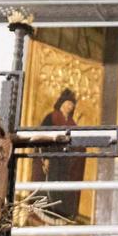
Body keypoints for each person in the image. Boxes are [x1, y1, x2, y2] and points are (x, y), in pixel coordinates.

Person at [31, 88, 86, 221]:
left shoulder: (72, 124)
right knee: (51, 182)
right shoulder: (52, 117)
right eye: (67, 103)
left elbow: (77, 142)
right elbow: (42, 138)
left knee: (63, 185)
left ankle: (61, 213)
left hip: (65, 161)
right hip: (52, 157)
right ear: (61, 103)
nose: (69, 106)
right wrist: (45, 158)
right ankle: (47, 211)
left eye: (71, 105)